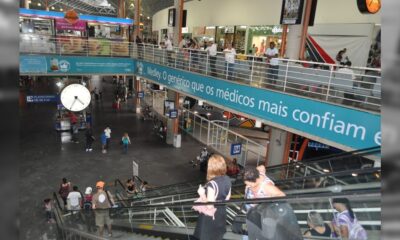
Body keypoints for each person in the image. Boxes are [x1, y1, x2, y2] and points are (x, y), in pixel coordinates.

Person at [193, 154, 232, 240]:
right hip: (221, 213)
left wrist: (202, 194)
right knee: (217, 236)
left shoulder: (212, 185)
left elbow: (210, 205)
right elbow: (227, 198)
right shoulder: (227, 179)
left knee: (207, 236)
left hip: (210, 217)